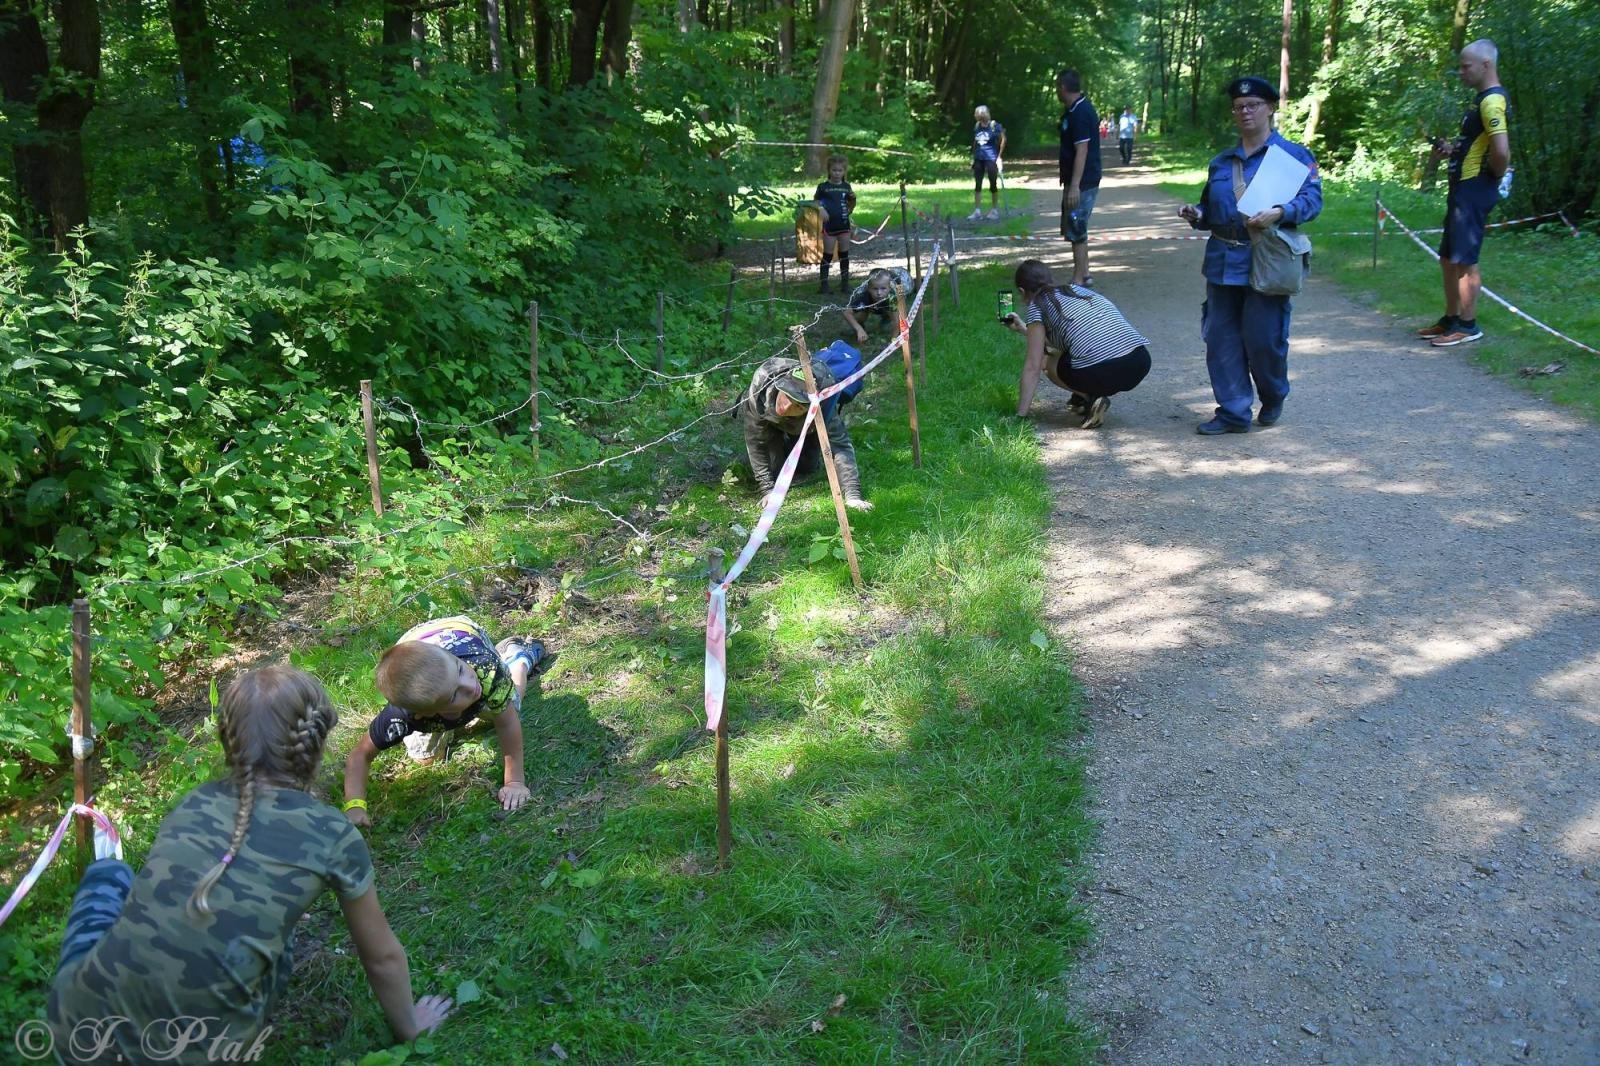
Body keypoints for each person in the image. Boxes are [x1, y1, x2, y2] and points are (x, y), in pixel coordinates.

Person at [46, 667, 452, 1062]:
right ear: (317, 741)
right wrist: (410, 1028)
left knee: (110, 873)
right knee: (279, 944)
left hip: (75, 1031)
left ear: (227, 739)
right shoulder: (333, 834)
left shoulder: (195, 801)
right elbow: (381, 957)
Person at [1178, 75, 1321, 434]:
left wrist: (1281, 212)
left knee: (1264, 340)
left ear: (1270, 108)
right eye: (1238, 107)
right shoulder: (1222, 163)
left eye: (1253, 105)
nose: (1245, 112)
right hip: (1223, 261)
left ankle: (1273, 394)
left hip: (1267, 260)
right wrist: (1197, 214)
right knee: (1221, 339)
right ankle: (1234, 412)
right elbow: (1211, 208)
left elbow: (1313, 201)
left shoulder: (1293, 157)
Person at [343, 617, 552, 826]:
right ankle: (451, 712)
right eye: (454, 695)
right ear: (422, 715)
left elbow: (507, 723)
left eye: (460, 670)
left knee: (507, 705)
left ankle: (517, 658)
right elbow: (360, 755)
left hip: (459, 633)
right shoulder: (401, 718)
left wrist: (514, 781)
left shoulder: (483, 667)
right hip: (416, 656)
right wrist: (355, 806)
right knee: (426, 758)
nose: (470, 685)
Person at [1416, 39, 1511, 348]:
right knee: (1448, 257)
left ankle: (1468, 326)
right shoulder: (1479, 100)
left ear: (1486, 65)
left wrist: (1490, 177)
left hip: (1473, 189)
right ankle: (1451, 319)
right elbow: (1475, 144)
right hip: (1462, 188)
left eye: (1465, 66)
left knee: (1465, 259)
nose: (1461, 72)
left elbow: (1501, 151)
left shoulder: (1492, 101)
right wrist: (1453, 149)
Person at [1001, 259, 1151, 427]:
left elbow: (1032, 367)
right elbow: (1070, 338)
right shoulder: (1075, 290)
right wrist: (1024, 329)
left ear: (1022, 291)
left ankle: (1090, 398)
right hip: (1139, 361)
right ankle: (1085, 399)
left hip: (1104, 370)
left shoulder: (1037, 306)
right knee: (1067, 353)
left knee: (1046, 360)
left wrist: (1020, 416)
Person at [742, 355, 871, 511]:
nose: (786, 406)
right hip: (769, 422)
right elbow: (756, 443)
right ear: (780, 386)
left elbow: (840, 447)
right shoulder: (760, 391)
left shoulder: (823, 408)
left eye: (798, 406)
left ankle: (796, 445)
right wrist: (767, 489)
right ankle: (777, 445)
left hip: (804, 426)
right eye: (787, 396)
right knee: (775, 469)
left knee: (806, 466)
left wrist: (853, 496)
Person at [1056, 69, 1103, 287]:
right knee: (1074, 225)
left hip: (1083, 181)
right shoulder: (1072, 111)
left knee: (1076, 225)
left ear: (1063, 87)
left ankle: (1078, 279)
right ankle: (1085, 272)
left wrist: (1075, 185)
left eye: (1057, 87)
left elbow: (1082, 150)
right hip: (1075, 180)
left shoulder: (1081, 112)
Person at [813, 154, 857, 294]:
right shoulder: (823, 187)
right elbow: (816, 201)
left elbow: (851, 204)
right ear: (829, 170)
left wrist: (853, 204)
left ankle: (845, 284)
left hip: (844, 225)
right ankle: (824, 285)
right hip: (829, 226)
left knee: (844, 254)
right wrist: (821, 209)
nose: (837, 173)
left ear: (844, 171)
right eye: (834, 170)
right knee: (828, 254)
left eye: (840, 170)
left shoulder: (846, 186)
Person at [841, 265, 915, 348]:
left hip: (903, 279)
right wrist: (859, 329)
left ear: (889, 288)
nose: (879, 293)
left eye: (883, 289)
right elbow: (847, 312)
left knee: (898, 315)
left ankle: (886, 317)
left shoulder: (892, 297)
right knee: (858, 314)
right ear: (869, 288)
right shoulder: (863, 294)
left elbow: (896, 321)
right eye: (875, 289)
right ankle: (861, 327)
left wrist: (893, 341)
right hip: (877, 298)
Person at [968, 105, 1007, 221]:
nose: (978, 116)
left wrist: (999, 156)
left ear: (986, 114)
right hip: (979, 158)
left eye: (980, 114)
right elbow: (975, 141)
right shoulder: (977, 126)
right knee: (978, 184)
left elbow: (1003, 139)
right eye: (977, 114)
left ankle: (994, 210)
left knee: (993, 184)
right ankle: (977, 211)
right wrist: (973, 156)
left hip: (991, 158)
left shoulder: (994, 126)